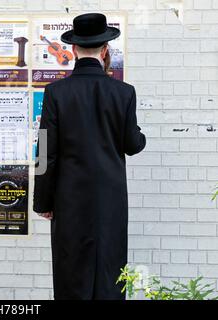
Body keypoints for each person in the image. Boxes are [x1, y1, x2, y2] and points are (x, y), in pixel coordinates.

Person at [33, 13, 146, 300]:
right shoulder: (123, 93)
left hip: (68, 200)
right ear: (105, 49)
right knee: (110, 272)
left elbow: (46, 150)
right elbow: (133, 145)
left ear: (73, 50)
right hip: (110, 200)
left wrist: (43, 202)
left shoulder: (56, 92)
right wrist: (137, 133)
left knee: (71, 273)